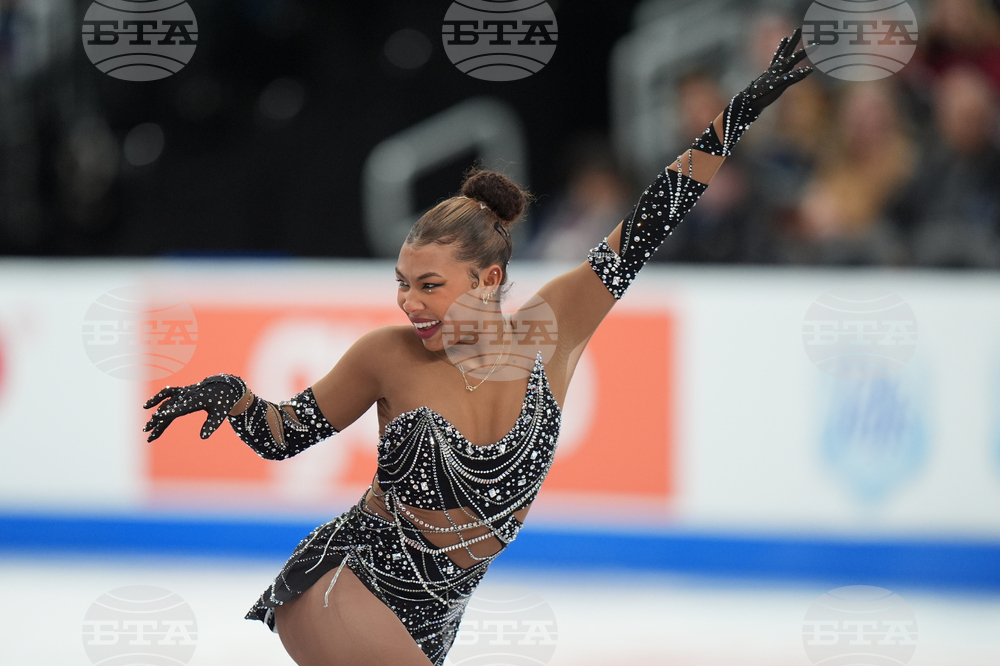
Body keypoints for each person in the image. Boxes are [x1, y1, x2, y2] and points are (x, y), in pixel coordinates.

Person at [142, 30, 814, 666]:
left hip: (436, 619)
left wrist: (743, 108)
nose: (409, 303)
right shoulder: (387, 356)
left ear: (488, 280)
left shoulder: (553, 326)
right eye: (402, 284)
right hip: (342, 587)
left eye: (429, 286)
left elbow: (651, 219)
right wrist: (236, 397)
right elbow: (287, 435)